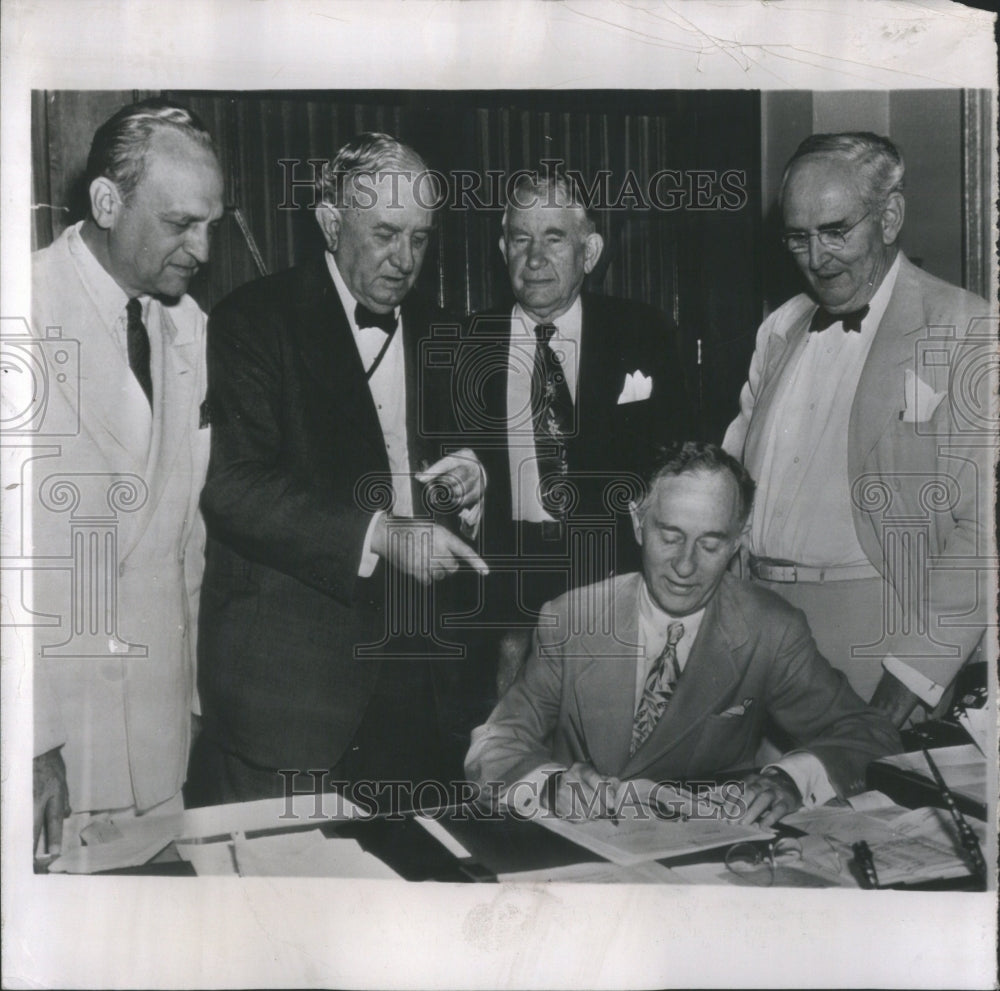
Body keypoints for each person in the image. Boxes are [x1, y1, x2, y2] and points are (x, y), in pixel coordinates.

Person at [188, 133, 488, 812]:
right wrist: (380, 534)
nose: (405, 259)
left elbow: (450, 465)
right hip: (291, 698)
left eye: (419, 237)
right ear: (330, 223)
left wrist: (471, 481)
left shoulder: (444, 331)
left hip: (419, 688)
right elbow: (234, 487)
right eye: (385, 233)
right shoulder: (252, 321)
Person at [465, 442, 902, 825]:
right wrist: (549, 786)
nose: (686, 566)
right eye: (670, 537)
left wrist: (790, 778)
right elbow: (496, 742)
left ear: (737, 542)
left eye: (710, 545)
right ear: (638, 523)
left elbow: (870, 733)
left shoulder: (772, 628)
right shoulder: (572, 618)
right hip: (581, 850)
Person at [723, 132, 993, 721]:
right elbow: (734, 480)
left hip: (881, 636)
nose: (816, 260)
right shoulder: (780, 328)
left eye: (836, 231)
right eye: (798, 238)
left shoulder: (965, 326)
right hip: (760, 627)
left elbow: (985, 530)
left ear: (890, 216)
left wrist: (916, 674)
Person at [31, 99, 224, 862]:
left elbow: (189, 539)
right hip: (55, 746)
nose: (203, 249)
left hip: (158, 741)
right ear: (107, 202)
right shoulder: (24, 311)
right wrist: (31, 742)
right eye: (182, 224)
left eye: (210, 222)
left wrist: (190, 701)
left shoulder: (188, 328)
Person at [467, 167, 691, 694]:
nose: (535, 258)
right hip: (505, 583)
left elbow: (678, 457)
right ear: (503, 249)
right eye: (520, 239)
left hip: (611, 573)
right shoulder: (466, 344)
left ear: (588, 253)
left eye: (554, 238)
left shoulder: (644, 333)